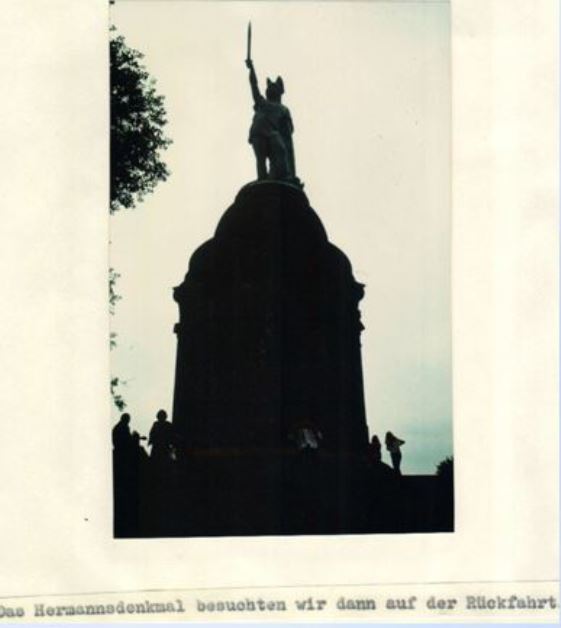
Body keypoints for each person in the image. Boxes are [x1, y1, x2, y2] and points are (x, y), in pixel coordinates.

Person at [245, 58, 299, 184]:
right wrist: (251, 68)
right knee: (261, 159)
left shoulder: (283, 109)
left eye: (274, 87)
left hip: (271, 133)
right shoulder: (262, 102)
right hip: (258, 132)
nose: (270, 89)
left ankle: (282, 175)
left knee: (280, 149)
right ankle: (263, 180)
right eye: (270, 87)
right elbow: (254, 86)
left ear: (280, 92)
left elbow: (288, 131)